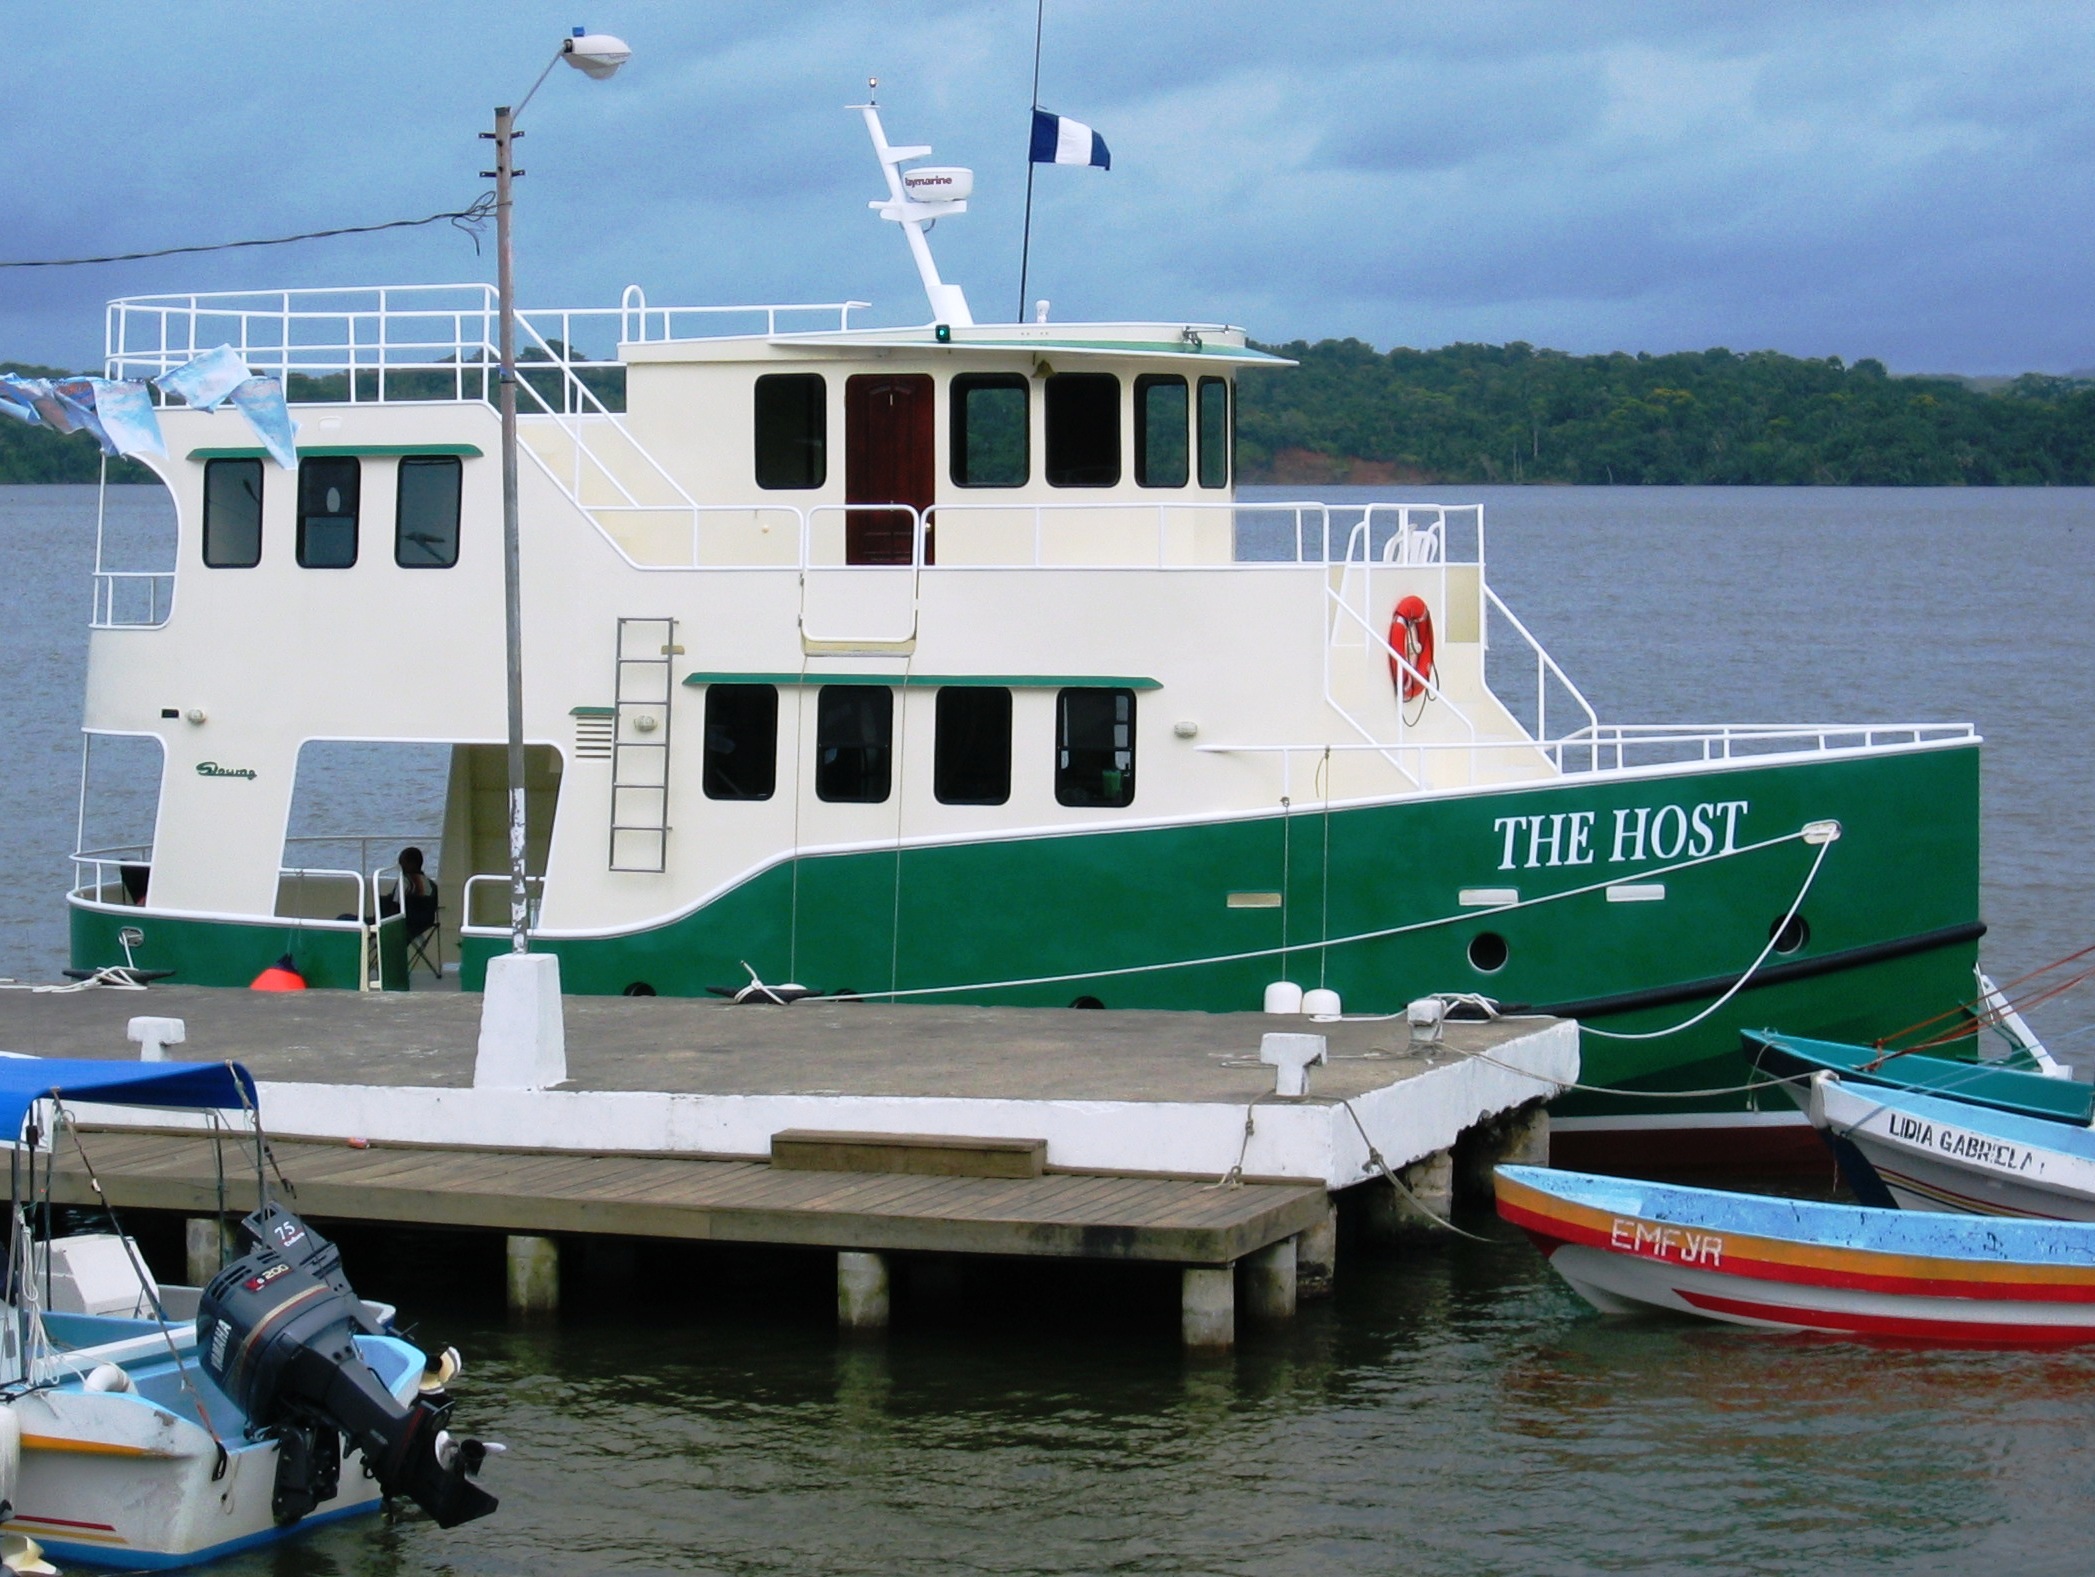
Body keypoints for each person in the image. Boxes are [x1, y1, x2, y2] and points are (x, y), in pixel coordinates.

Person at [397, 846, 439, 942]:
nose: (401, 867)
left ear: (412, 864)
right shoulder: (431, 884)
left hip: (404, 923)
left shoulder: (406, 882)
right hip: (424, 924)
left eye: (402, 864)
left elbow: (395, 905)